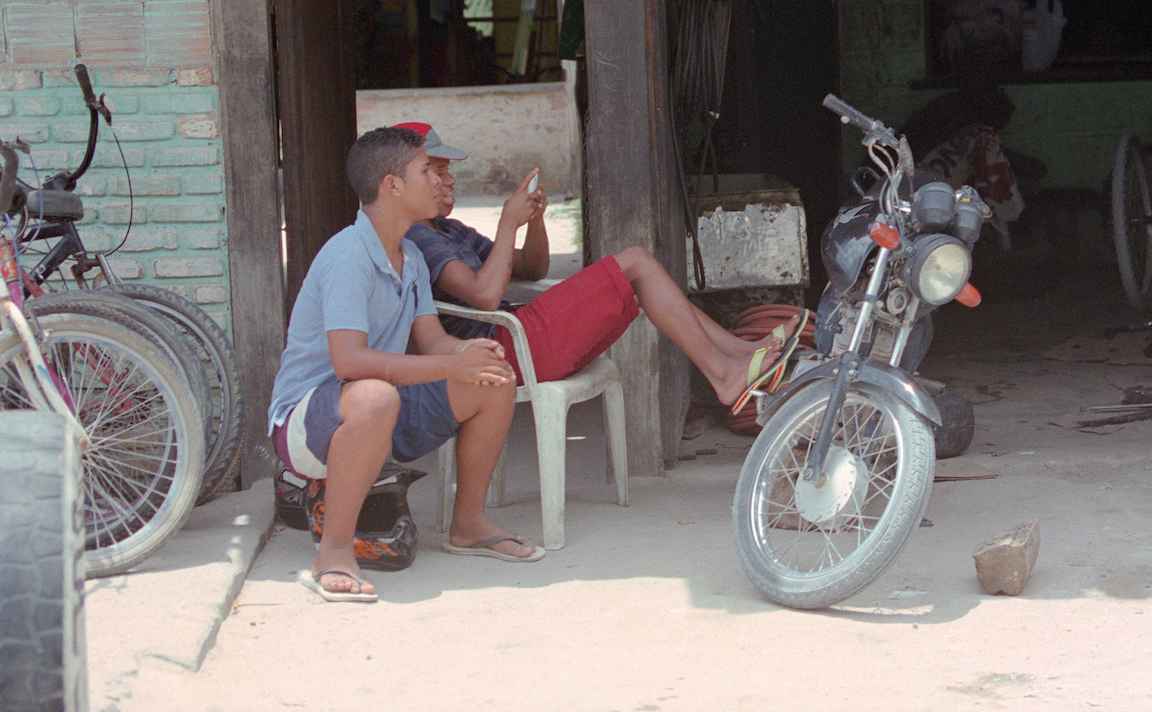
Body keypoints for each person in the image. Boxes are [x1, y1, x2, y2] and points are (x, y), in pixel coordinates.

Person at [397, 124, 803, 475]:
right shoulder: (417, 236)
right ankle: (725, 373)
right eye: (436, 172)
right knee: (636, 264)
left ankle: (737, 352)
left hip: (515, 337)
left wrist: (533, 222)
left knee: (640, 273)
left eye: (447, 171)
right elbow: (485, 297)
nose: (447, 181)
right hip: (500, 350)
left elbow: (533, 269)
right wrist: (506, 221)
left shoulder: (451, 230)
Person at [269, 126, 548, 602]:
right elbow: (350, 362)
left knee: (492, 380)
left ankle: (468, 525)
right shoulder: (347, 257)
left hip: (375, 408)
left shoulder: (411, 256)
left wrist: (468, 356)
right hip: (307, 423)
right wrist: (447, 368)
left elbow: (434, 340)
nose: (439, 182)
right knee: (374, 394)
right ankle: (333, 553)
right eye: (426, 171)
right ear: (392, 187)